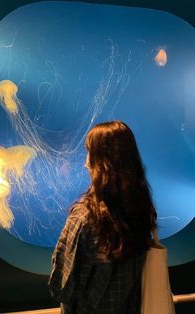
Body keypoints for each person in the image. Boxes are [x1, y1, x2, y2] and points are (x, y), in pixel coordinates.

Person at [48, 120, 157, 314]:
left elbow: (62, 288)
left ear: (102, 163)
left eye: (90, 153)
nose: (85, 163)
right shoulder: (141, 208)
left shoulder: (84, 218)